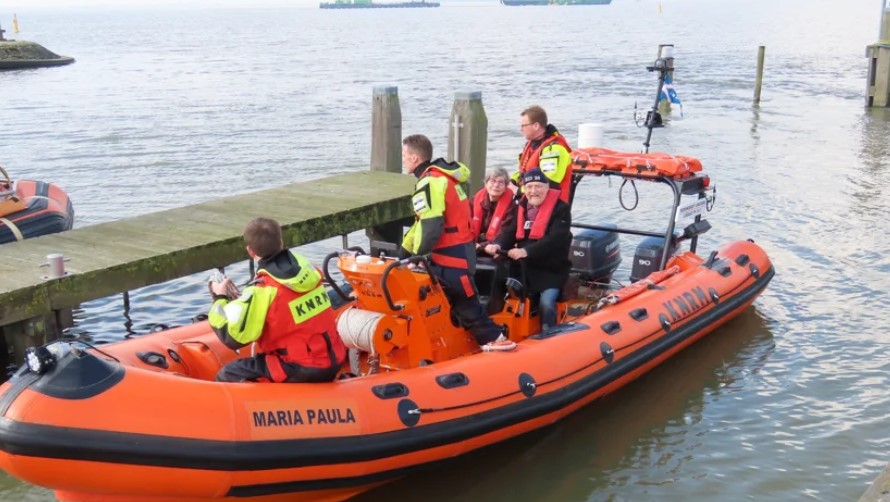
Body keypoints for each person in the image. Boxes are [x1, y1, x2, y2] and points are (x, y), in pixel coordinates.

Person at [399, 134, 515, 352]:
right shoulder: (444, 179)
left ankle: (496, 339)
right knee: (446, 299)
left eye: (404, 155)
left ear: (414, 158)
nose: (403, 159)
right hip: (458, 250)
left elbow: (431, 225)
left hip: (451, 256)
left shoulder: (430, 182)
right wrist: (404, 252)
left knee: (465, 301)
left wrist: (416, 256)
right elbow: (421, 224)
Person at [208, 217, 347, 382]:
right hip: (335, 356)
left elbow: (232, 338)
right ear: (281, 242)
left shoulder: (262, 291)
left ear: (250, 251)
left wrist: (220, 297)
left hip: (303, 368)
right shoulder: (309, 271)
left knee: (228, 373)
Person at [485, 168, 572, 331]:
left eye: (538, 186)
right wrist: (498, 245)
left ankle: (549, 332)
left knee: (546, 303)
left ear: (547, 187)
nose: (533, 191)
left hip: (551, 269)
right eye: (529, 187)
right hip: (524, 268)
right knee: (498, 290)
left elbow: (555, 239)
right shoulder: (521, 207)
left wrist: (527, 251)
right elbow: (510, 232)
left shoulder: (561, 209)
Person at [514, 105, 574, 203]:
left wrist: (519, 190)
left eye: (523, 126)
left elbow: (548, 182)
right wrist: (510, 181)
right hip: (532, 199)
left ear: (536, 126)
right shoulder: (531, 145)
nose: (521, 129)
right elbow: (523, 171)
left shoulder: (554, 149)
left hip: (552, 205)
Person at [471, 167, 517, 253]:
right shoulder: (474, 201)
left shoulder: (512, 207)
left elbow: (506, 233)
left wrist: (483, 246)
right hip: (473, 245)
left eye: (501, 182)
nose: (496, 185)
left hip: (495, 247)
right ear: (486, 184)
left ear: (506, 187)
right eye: (492, 181)